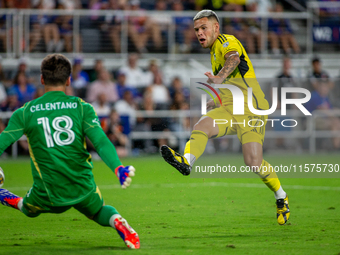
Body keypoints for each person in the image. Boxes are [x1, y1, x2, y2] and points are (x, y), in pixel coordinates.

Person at [160, 10, 290, 225]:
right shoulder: (212, 53)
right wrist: (217, 101)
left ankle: (281, 196)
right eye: (196, 30)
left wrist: (219, 78)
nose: (199, 33)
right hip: (230, 107)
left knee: (253, 162)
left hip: (251, 108)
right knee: (202, 125)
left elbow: (234, 59)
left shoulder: (226, 41)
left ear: (216, 28)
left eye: (204, 28)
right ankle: (186, 161)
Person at [0, 54, 140, 249]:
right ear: (68, 80)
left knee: (27, 209)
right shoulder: (82, 108)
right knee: (99, 211)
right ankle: (116, 220)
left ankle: (3, 195)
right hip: (82, 186)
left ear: (42, 79)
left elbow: (3, 141)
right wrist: (118, 168)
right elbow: (100, 141)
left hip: (49, 192)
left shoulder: (25, 112)